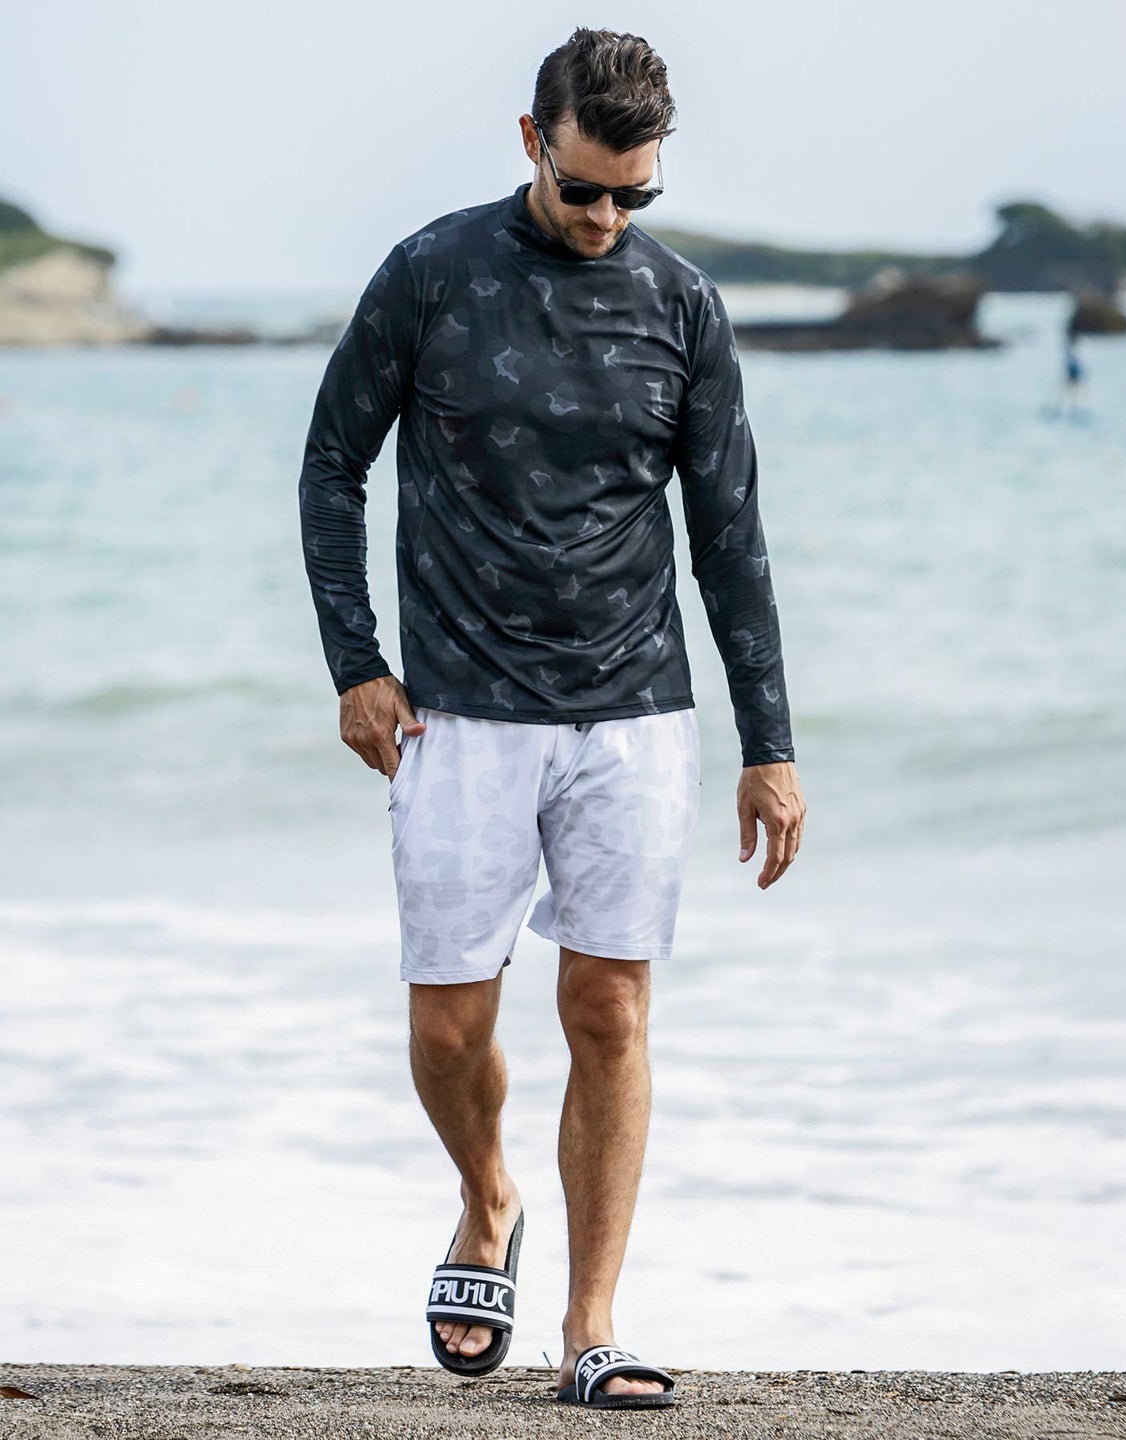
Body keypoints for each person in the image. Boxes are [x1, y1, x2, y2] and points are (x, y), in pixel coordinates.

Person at [298, 26, 806, 1411]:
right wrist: (356, 663)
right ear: (533, 141)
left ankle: (593, 1325)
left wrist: (770, 744)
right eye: (583, 187)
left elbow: (732, 539)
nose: (604, 219)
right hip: (457, 714)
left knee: (610, 1011)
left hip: (634, 716)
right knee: (449, 1028)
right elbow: (333, 464)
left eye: (634, 195)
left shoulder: (683, 307)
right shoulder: (432, 273)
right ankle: (486, 1197)